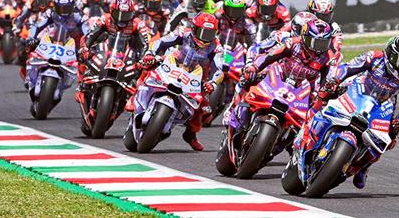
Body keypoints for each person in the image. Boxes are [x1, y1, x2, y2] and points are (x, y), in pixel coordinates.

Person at [313, 36, 399, 189]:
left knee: (389, 139)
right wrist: (334, 81)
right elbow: (347, 67)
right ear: (391, 55)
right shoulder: (374, 57)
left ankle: (362, 167)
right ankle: (309, 129)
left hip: (382, 105)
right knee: (325, 95)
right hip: (357, 90)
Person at [141, 12, 224, 151]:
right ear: (194, 28)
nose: (205, 37)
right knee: (147, 67)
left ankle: (190, 135)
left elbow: (219, 68)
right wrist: (150, 54)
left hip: (195, 76)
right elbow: (161, 41)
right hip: (173, 63)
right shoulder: (183, 32)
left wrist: (213, 83)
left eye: (209, 33)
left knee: (204, 109)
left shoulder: (216, 46)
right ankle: (134, 97)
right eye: (202, 32)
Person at [241, 17, 342, 100]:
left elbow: (328, 80)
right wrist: (254, 67)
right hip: (277, 81)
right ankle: (236, 112)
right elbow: (269, 57)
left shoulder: (328, 58)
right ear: (305, 38)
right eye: (316, 43)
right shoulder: (291, 43)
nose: (319, 49)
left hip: (303, 94)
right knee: (250, 79)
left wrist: (329, 89)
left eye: (323, 44)